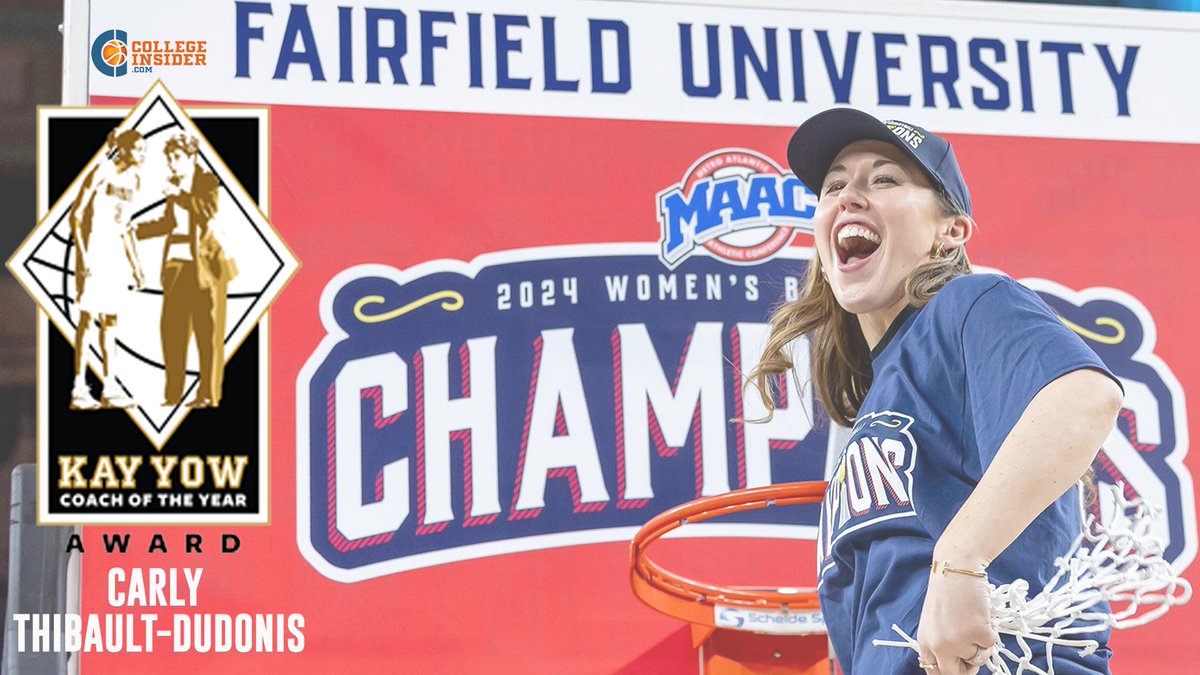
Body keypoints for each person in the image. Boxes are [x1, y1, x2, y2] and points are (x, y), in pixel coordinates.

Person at [745, 108, 1123, 674]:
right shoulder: (874, 410)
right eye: (833, 186)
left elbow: (1085, 395)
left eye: (884, 179)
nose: (850, 196)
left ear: (951, 232)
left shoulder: (968, 304)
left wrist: (960, 562)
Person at [137, 132, 237, 408]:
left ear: (192, 156)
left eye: (177, 157)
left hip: (206, 269)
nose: (172, 163)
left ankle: (208, 395)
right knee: (172, 333)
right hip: (175, 267)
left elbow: (206, 212)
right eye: (169, 158)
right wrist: (134, 231)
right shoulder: (176, 186)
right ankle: (172, 396)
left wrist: (179, 195)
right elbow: (169, 224)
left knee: (208, 336)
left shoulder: (207, 181)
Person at [68, 128, 146, 410]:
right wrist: (84, 255)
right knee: (88, 318)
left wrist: (136, 265)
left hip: (115, 257)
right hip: (93, 251)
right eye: (138, 149)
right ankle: (79, 386)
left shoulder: (135, 181)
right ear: (124, 149)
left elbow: (126, 226)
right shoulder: (102, 169)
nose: (142, 154)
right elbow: (76, 215)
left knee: (111, 321)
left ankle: (110, 385)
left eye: (144, 150)